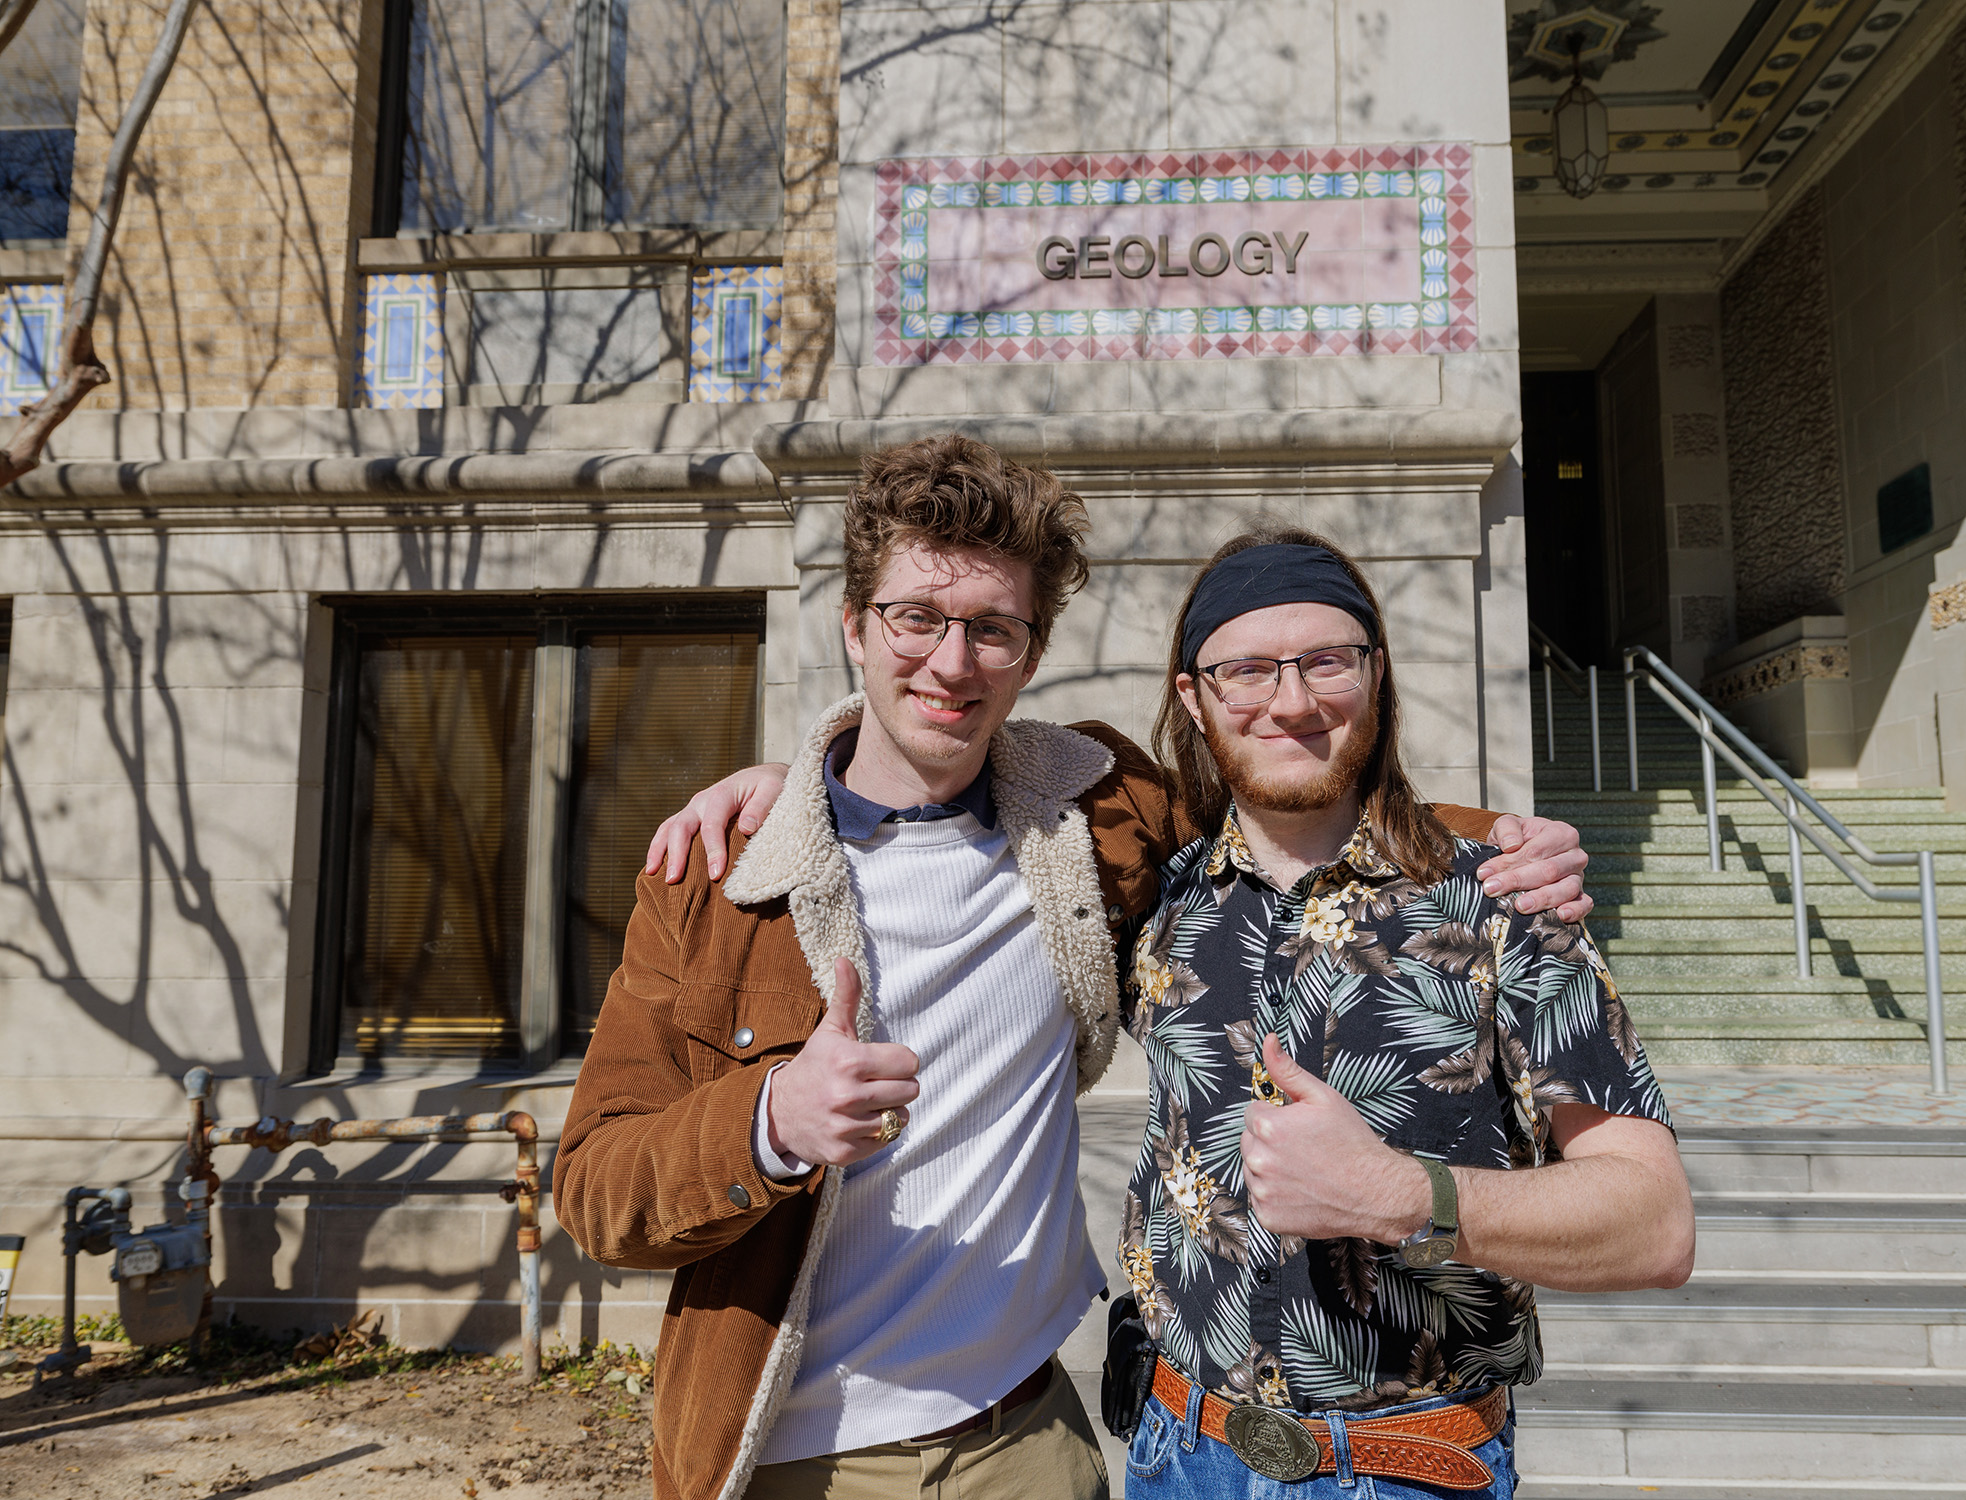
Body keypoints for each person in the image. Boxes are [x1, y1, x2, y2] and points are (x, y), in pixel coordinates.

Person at [557, 434, 1593, 1500]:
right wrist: (769, 1122)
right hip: (789, 1453)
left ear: (1033, 649)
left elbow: (1290, 799)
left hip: (1026, 1442)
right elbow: (594, 1191)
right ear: (856, 626)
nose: (952, 664)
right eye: (917, 617)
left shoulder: (1096, 812)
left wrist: (1494, 846)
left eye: (992, 630)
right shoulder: (716, 880)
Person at [1112, 528, 1693, 1498]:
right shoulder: (1160, 906)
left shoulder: (1505, 903)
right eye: (1247, 669)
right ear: (1194, 698)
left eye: (1326, 661)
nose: (1291, 702)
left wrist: (1405, 1197)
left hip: (1401, 1473)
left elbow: (1655, 1222)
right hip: (1178, 1454)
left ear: (1377, 674)